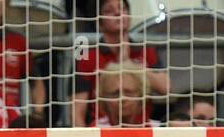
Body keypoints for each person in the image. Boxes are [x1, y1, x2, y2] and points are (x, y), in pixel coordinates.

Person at [71, 0, 168, 128]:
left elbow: (166, 88)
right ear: (99, 23)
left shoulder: (145, 49)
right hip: (102, 128)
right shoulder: (86, 55)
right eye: (109, 11)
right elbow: (77, 111)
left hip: (142, 127)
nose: (117, 13)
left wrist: (129, 63)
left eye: (122, 9)